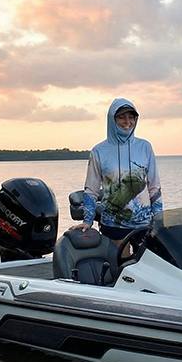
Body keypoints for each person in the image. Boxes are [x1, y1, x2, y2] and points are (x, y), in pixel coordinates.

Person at [70, 98, 163, 250]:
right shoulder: (98, 151)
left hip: (145, 223)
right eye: (121, 117)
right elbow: (91, 190)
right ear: (112, 119)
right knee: (119, 268)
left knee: (148, 268)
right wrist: (88, 220)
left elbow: (154, 186)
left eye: (131, 117)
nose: (127, 121)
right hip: (113, 224)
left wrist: (159, 218)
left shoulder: (145, 147)